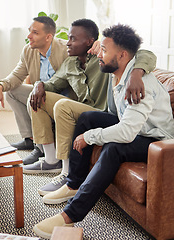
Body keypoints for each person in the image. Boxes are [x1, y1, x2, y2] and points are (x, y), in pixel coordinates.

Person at [32, 24, 174, 240]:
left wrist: (89, 137)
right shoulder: (117, 71)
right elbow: (119, 117)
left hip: (154, 139)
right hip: (135, 127)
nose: (100, 54)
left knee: (114, 149)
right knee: (87, 118)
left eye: (104, 50)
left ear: (123, 55)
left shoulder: (140, 84)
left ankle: (70, 216)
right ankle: (74, 182)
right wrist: (91, 129)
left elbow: (127, 133)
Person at [23, 19, 156, 195]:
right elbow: (52, 84)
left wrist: (137, 73)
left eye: (72, 39)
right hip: (83, 111)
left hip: (103, 113)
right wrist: (39, 85)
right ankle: (50, 159)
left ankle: (66, 173)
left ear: (89, 41)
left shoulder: (103, 56)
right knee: (38, 97)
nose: (67, 43)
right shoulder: (70, 63)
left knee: (63, 105)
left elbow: (146, 54)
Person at [0, 16, 68, 158]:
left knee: (34, 98)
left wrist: (97, 43)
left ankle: (40, 148)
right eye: (29, 31)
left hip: (63, 98)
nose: (29, 36)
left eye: (35, 33)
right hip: (41, 93)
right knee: (12, 92)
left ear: (48, 37)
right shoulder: (28, 50)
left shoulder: (65, 49)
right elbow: (16, 75)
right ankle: (30, 139)